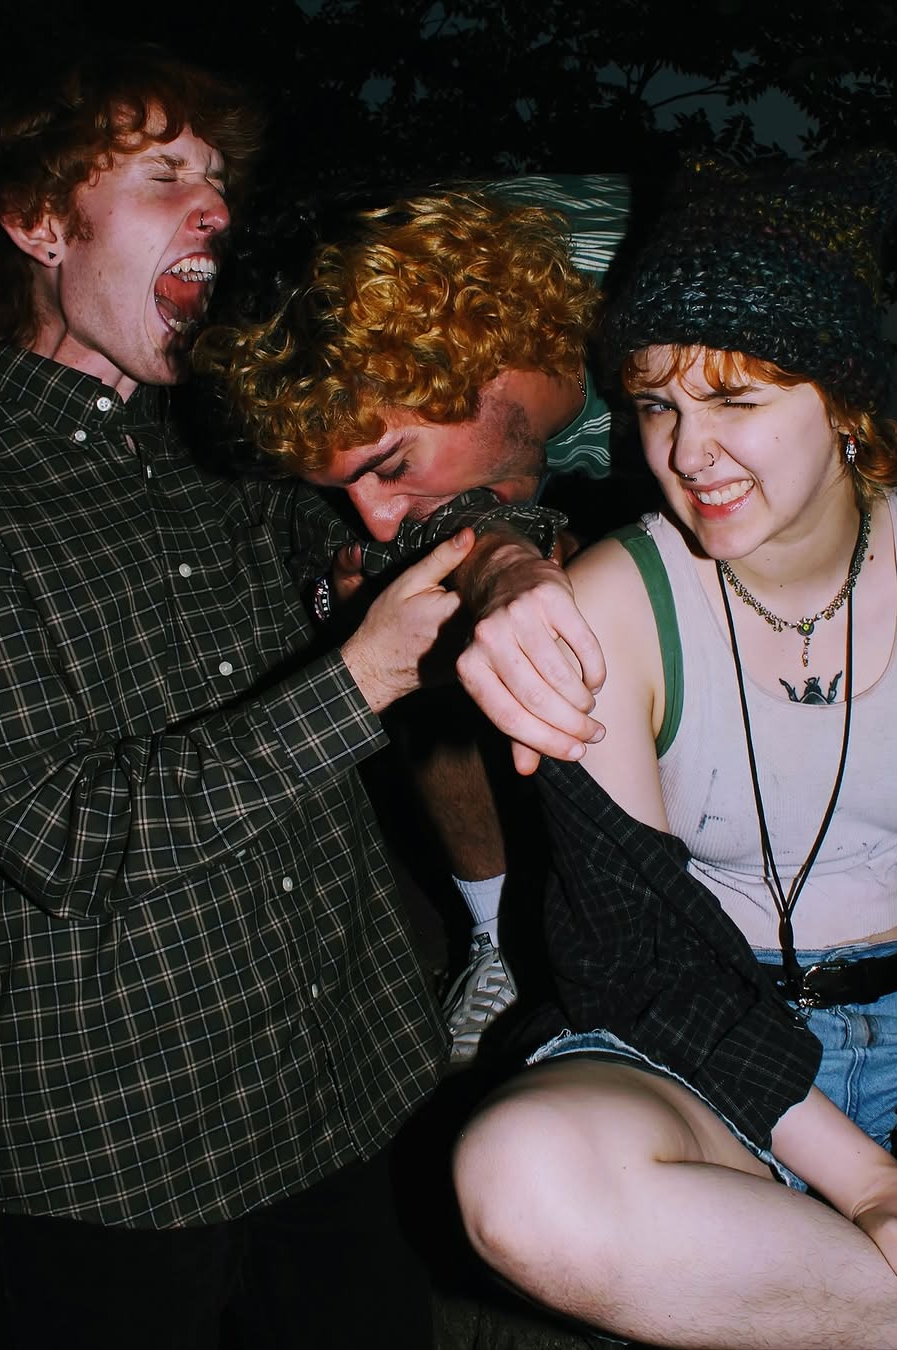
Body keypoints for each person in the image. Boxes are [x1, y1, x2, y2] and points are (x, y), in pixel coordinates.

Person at [0, 42, 479, 1350]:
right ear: (39, 221)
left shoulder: (217, 440)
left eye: (219, 177)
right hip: (115, 1155)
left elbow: (388, 542)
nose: (215, 207)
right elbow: (61, 832)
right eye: (164, 175)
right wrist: (362, 675)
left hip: (339, 1078)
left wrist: (488, 534)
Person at [452, 151, 897, 1350]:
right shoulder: (611, 606)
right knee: (524, 1178)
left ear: (845, 403)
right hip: (694, 1046)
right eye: (657, 404)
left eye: (737, 400)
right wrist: (873, 1186)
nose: (689, 453)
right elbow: (635, 957)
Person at [197, 177, 628, 1060]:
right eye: (347, 488)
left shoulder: (644, 296)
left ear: (483, 351)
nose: (381, 516)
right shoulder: (429, 433)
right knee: (420, 611)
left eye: (392, 465)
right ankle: (494, 939)